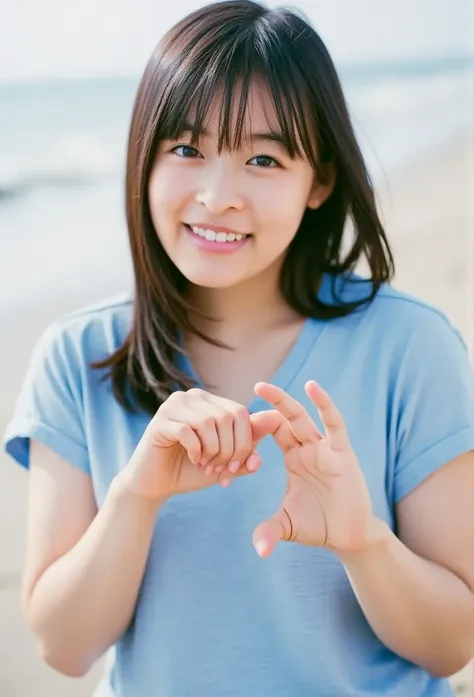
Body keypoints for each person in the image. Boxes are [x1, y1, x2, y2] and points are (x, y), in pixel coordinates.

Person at [3, 1, 474, 696]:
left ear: (319, 181)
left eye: (262, 158)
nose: (218, 196)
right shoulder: (79, 356)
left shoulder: (410, 347)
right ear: (143, 160)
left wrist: (362, 540)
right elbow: (64, 647)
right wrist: (136, 496)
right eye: (187, 150)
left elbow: (452, 646)